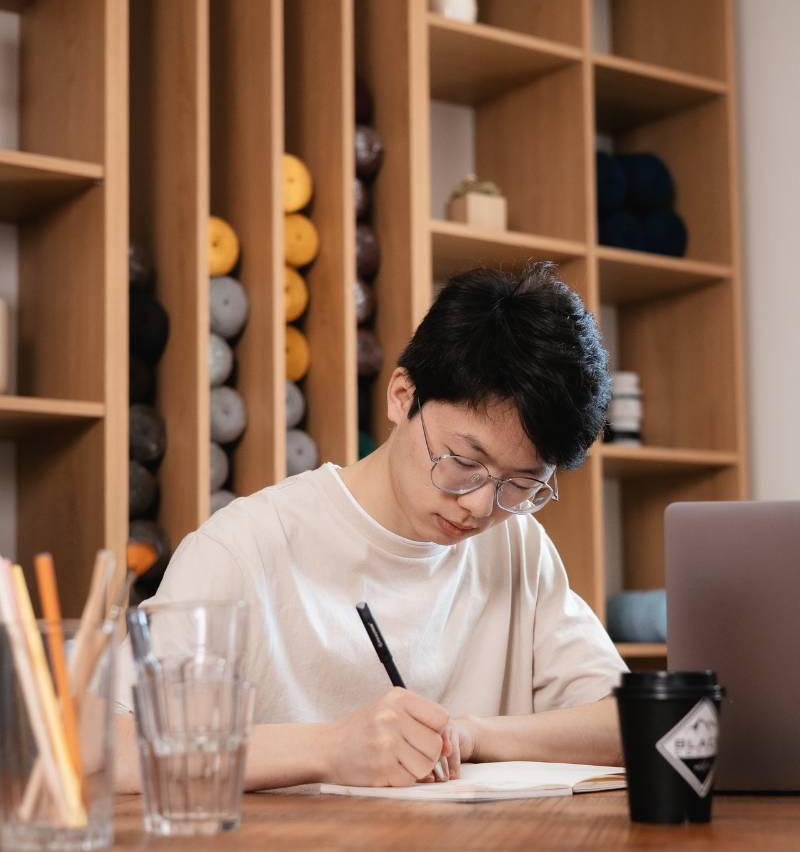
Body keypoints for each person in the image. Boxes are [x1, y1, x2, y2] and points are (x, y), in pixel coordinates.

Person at [114, 262, 625, 793]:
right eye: (463, 461)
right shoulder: (244, 550)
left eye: (520, 485)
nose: (478, 506)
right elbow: (103, 748)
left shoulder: (517, 545)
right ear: (402, 397)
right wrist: (331, 750)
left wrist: (469, 736)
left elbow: (626, 723)